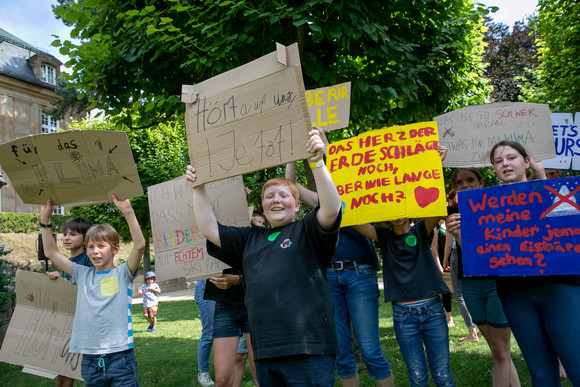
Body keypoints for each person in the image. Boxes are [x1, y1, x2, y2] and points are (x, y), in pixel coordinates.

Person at [186, 128, 342, 386]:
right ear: (263, 205)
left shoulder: (309, 231)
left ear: (298, 205)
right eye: (269, 196)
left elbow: (331, 207)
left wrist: (317, 163)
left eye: (284, 195)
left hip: (310, 348)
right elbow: (209, 229)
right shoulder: (250, 238)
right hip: (267, 350)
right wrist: (198, 188)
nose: (276, 200)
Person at [286, 160, 394, 387]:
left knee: (371, 350)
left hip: (360, 273)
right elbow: (290, 185)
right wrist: (291, 156)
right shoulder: (320, 200)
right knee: (342, 354)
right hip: (329, 278)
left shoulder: (367, 195)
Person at [488, 140, 579, 385]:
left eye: (511, 157)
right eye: (498, 161)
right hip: (514, 294)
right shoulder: (485, 206)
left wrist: (541, 177)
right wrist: (458, 234)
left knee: (576, 366)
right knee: (541, 373)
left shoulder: (555, 193)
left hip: (560, 287)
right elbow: (484, 256)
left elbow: (569, 222)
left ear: (526, 161)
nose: (505, 163)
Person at [40, 196, 146, 386]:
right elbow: (51, 252)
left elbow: (139, 245)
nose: (95, 251)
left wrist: (128, 212)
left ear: (115, 249)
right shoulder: (81, 274)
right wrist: (45, 221)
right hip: (89, 359)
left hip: (120, 357)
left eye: (101, 246)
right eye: (90, 247)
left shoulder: (123, 273)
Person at [446, 168, 520, 387]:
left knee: (499, 349)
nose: (465, 185)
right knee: (498, 350)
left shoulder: (498, 205)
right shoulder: (454, 213)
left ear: (481, 181)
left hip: (497, 282)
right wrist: (458, 235)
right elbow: (470, 255)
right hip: (470, 285)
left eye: (470, 180)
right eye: (459, 182)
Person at [43, 215, 93, 387]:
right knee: (62, 373)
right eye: (65, 234)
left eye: (72, 234)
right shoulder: (68, 262)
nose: (66, 238)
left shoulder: (90, 258)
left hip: (85, 326)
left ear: (86, 237)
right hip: (67, 323)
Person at [441, 190, 478, 344]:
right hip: (476, 255)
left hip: (458, 255)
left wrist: (445, 260)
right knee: (476, 292)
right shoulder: (474, 211)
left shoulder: (453, 215)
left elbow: (449, 243)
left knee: (460, 295)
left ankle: (472, 332)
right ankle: (481, 326)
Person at [195, 279, 216, 387]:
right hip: (205, 287)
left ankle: (226, 369)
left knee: (223, 332)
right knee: (209, 333)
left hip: (221, 288)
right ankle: (202, 373)